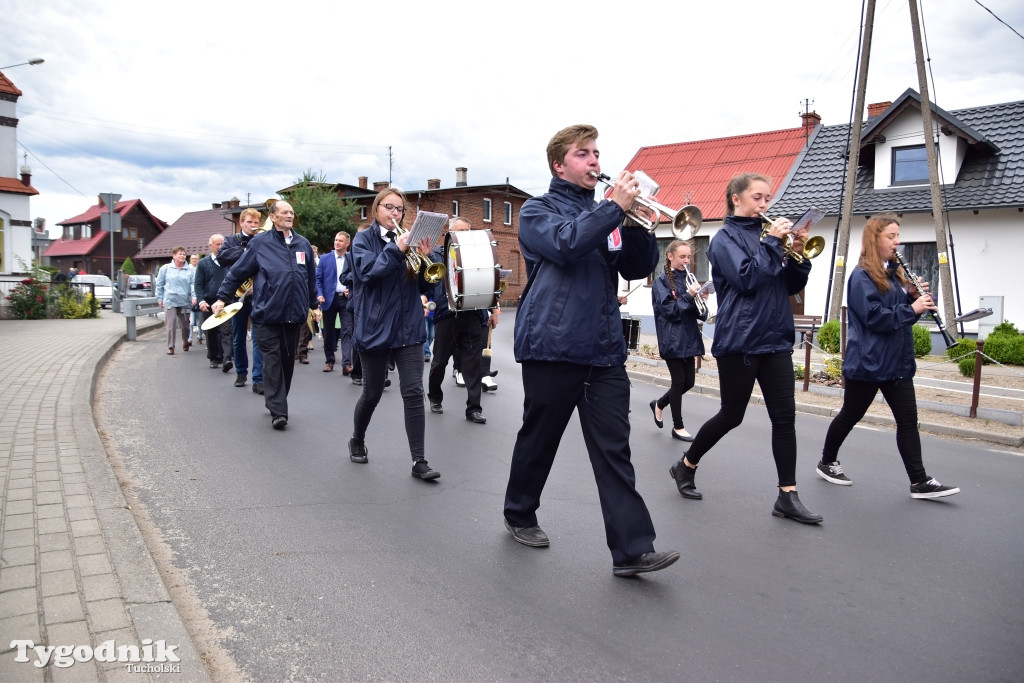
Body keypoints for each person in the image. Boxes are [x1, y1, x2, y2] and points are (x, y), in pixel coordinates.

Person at [503, 124, 679, 577]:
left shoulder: (609, 215)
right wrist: (612, 210)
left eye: (597, 153)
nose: (596, 162)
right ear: (559, 164)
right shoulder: (537, 212)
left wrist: (640, 226)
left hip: (603, 349)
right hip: (553, 345)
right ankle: (519, 512)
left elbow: (634, 267)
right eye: (584, 154)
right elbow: (566, 245)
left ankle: (632, 549)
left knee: (614, 448)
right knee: (540, 438)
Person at [667, 173, 822, 523]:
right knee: (731, 415)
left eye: (767, 198)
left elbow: (789, 285)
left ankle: (787, 495)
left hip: (775, 339)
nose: (765, 204)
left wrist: (798, 256)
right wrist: (774, 243)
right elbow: (747, 279)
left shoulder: (771, 239)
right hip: (741, 340)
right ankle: (686, 464)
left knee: (784, 418)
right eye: (758, 197)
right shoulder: (724, 239)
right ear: (736, 199)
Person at [816, 213, 960, 499]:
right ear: (875, 239)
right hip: (869, 362)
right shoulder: (860, 275)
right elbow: (875, 318)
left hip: (897, 361)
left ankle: (919, 481)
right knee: (850, 415)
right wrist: (913, 308)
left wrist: (910, 298)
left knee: (908, 422)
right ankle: (827, 461)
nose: (898, 241)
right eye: (891, 236)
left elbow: (897, 316)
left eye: (897, 235)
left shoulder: (892, 273)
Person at [347, 187, 440, 480]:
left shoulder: (409, 242)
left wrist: (426, 259)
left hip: (408, 328)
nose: (395, 213)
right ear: (376, 209)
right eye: (389, 207)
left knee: (413, 392)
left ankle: (419, 461)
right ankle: (357, 438)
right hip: (375, 328)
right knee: (372, 393)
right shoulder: (363, 240)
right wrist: (396, 249)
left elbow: (427, 287)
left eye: (399, 209)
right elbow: (368, 273)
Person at [212, 201, 318, 430]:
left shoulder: (303, 245)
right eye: (284, 212)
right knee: (272, 360)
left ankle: (276, 398)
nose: (290, 215)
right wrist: (222, 297)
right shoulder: (260, 243)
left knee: (287, 363)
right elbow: (238, 272)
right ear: (273, 217)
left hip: (293, 315)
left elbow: (310, 278)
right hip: (267, 314)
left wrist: (313, 304)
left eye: (291, 212)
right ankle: (279, 411)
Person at [426, 217, 495, 425]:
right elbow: (430, 282)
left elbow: (489, 279)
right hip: (446, 315)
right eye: (461, 230)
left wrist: (493, 309)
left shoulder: (478, 253)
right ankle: (435, 398)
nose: (465, 234)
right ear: (450, 232)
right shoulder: (437, 253)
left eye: (468, 230)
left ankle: (474, 409)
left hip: (472, 314)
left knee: (472, 365)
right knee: (439, 362)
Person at [650, 239, 708, 442]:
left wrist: (700, 300)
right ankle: (678, 426)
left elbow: (699, 313)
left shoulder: (689, 279)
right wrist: (688, 297)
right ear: (670, 256)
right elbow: (670, 311)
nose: (686, 261)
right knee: (679, 381)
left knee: (689, 382)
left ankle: (659, 403)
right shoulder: (661, 281)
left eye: (689, 257)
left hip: (689, 337)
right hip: (672, 338)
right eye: (682, 257)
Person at [218, 208, 265, 392]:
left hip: (258, 294)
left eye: (256, 223)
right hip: (237, 295)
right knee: (238, 336)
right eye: (250, 222)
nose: (254, 226)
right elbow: (222, 258)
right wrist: (246, 250)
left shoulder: (261, 240)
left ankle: (258, 378)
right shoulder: (231, 241)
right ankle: (240, 372)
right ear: (241, 223)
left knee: (258, 336)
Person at [193, 234, 234, 371]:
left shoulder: (230, 261)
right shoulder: (204, 263)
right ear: (210, 246)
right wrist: (201, 301)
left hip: (226, 301)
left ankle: (227, 358)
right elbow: (198, 284)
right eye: (217, 244)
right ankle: (214, 357)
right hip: (209, 302)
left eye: (223, 244)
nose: (221, 247)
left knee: (226, 330)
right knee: (211, 331)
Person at [316, 231, 354, 374]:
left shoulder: (352, 258)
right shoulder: (325, 259)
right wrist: (319, 295)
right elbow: (318, 279)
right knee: (329, 332)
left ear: (347, 244)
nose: (337, 242)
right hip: (328, 299)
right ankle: (330, 361)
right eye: (336, 240)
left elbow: (357, 277)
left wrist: (351, 289)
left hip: (346, 300)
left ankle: (346, 364)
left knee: (347, 332)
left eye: (340, 240)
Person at [155, 246, 194, 355]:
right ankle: (171, 347)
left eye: (184, 254)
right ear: (174, 256)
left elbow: (193, 284)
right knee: (170, 324)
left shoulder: (190, 270)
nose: (182, 256)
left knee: (185, 325)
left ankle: (186, 341)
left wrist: (194, 297)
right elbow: (159, 284)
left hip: (185, 301)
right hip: (170, 300)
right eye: (180, 254)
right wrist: (160, 298)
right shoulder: (166, 268)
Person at [188, 253, 204, 346]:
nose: (194, 260)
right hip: (189, 298)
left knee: (200, 320)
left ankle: (199, 336)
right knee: (190, 321)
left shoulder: (200, 269)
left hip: (199, 297)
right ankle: (189, 338)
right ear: (190, 259)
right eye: (193, 258)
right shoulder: (187, 269)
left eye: (196, 259)